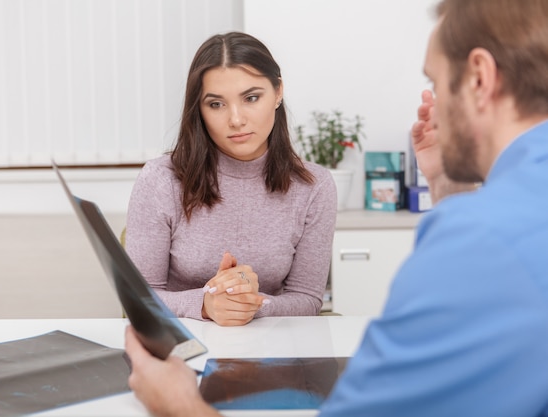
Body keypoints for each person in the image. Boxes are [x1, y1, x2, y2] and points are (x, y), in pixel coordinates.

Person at [123, 0, 548, 415]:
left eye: (434, 82)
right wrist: (445, 183)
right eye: (216, 103)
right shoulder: (507, 216)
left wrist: (179, 407)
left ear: (479, 78)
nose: (236, 119)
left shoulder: (478, 235)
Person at [125, 32, 337, 327]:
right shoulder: (161, 180)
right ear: (198, 109)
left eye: (251, 98)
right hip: (181, 351)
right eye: (216, 104)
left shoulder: (314, 186)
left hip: (271, 352)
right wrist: (204, 304)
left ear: (278, 93)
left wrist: (249, 303)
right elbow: (137, 296)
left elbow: (308, 298)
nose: (236, 119)